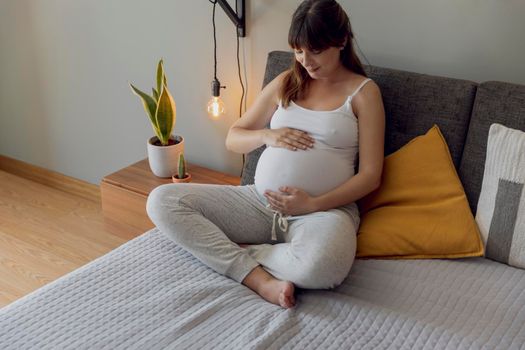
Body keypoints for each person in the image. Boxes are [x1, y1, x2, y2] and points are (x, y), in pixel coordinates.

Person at [146, 0, 385, 309]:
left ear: (340, 41)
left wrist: (312, 203)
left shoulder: (364, 93)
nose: (305, 61)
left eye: (315, 50)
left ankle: (242, 251)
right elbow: (235, 137)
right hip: (259, 202)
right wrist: (268, 136)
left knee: (324, 267)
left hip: (324, 213)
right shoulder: (287, 82)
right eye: (298, 50)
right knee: (163, 201)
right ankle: (259, 279)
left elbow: (370, 176)